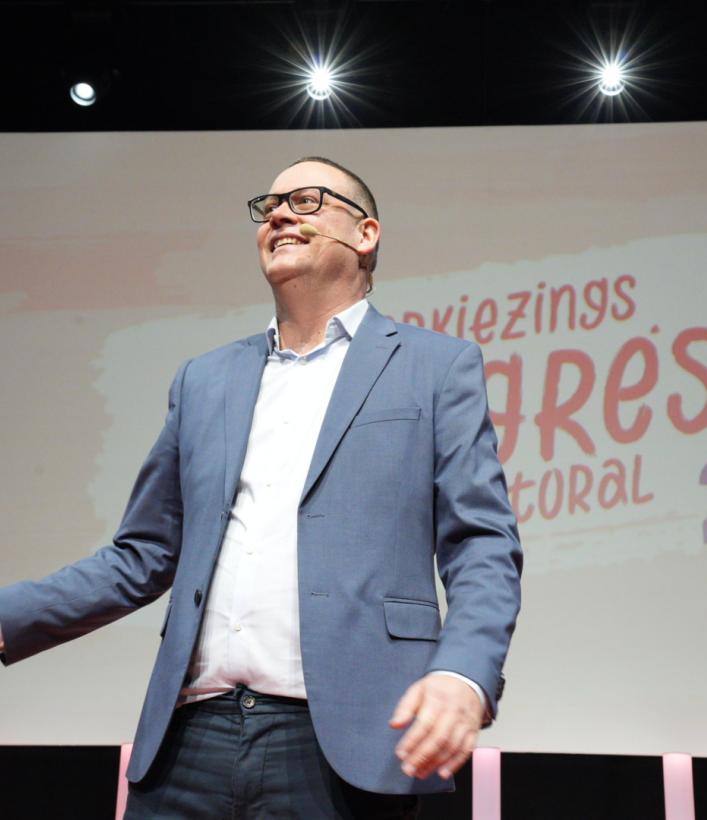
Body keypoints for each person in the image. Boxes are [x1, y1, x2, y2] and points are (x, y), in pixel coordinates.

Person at [0, 157, 522, 818]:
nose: (277, 215)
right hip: (188, 741)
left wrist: (462, 673)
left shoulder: (436, 366)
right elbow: (141, 557)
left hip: (341, 744)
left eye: (305, 201)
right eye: (268, 206)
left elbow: (482, 544)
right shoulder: (205, 380)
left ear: (365, 234)